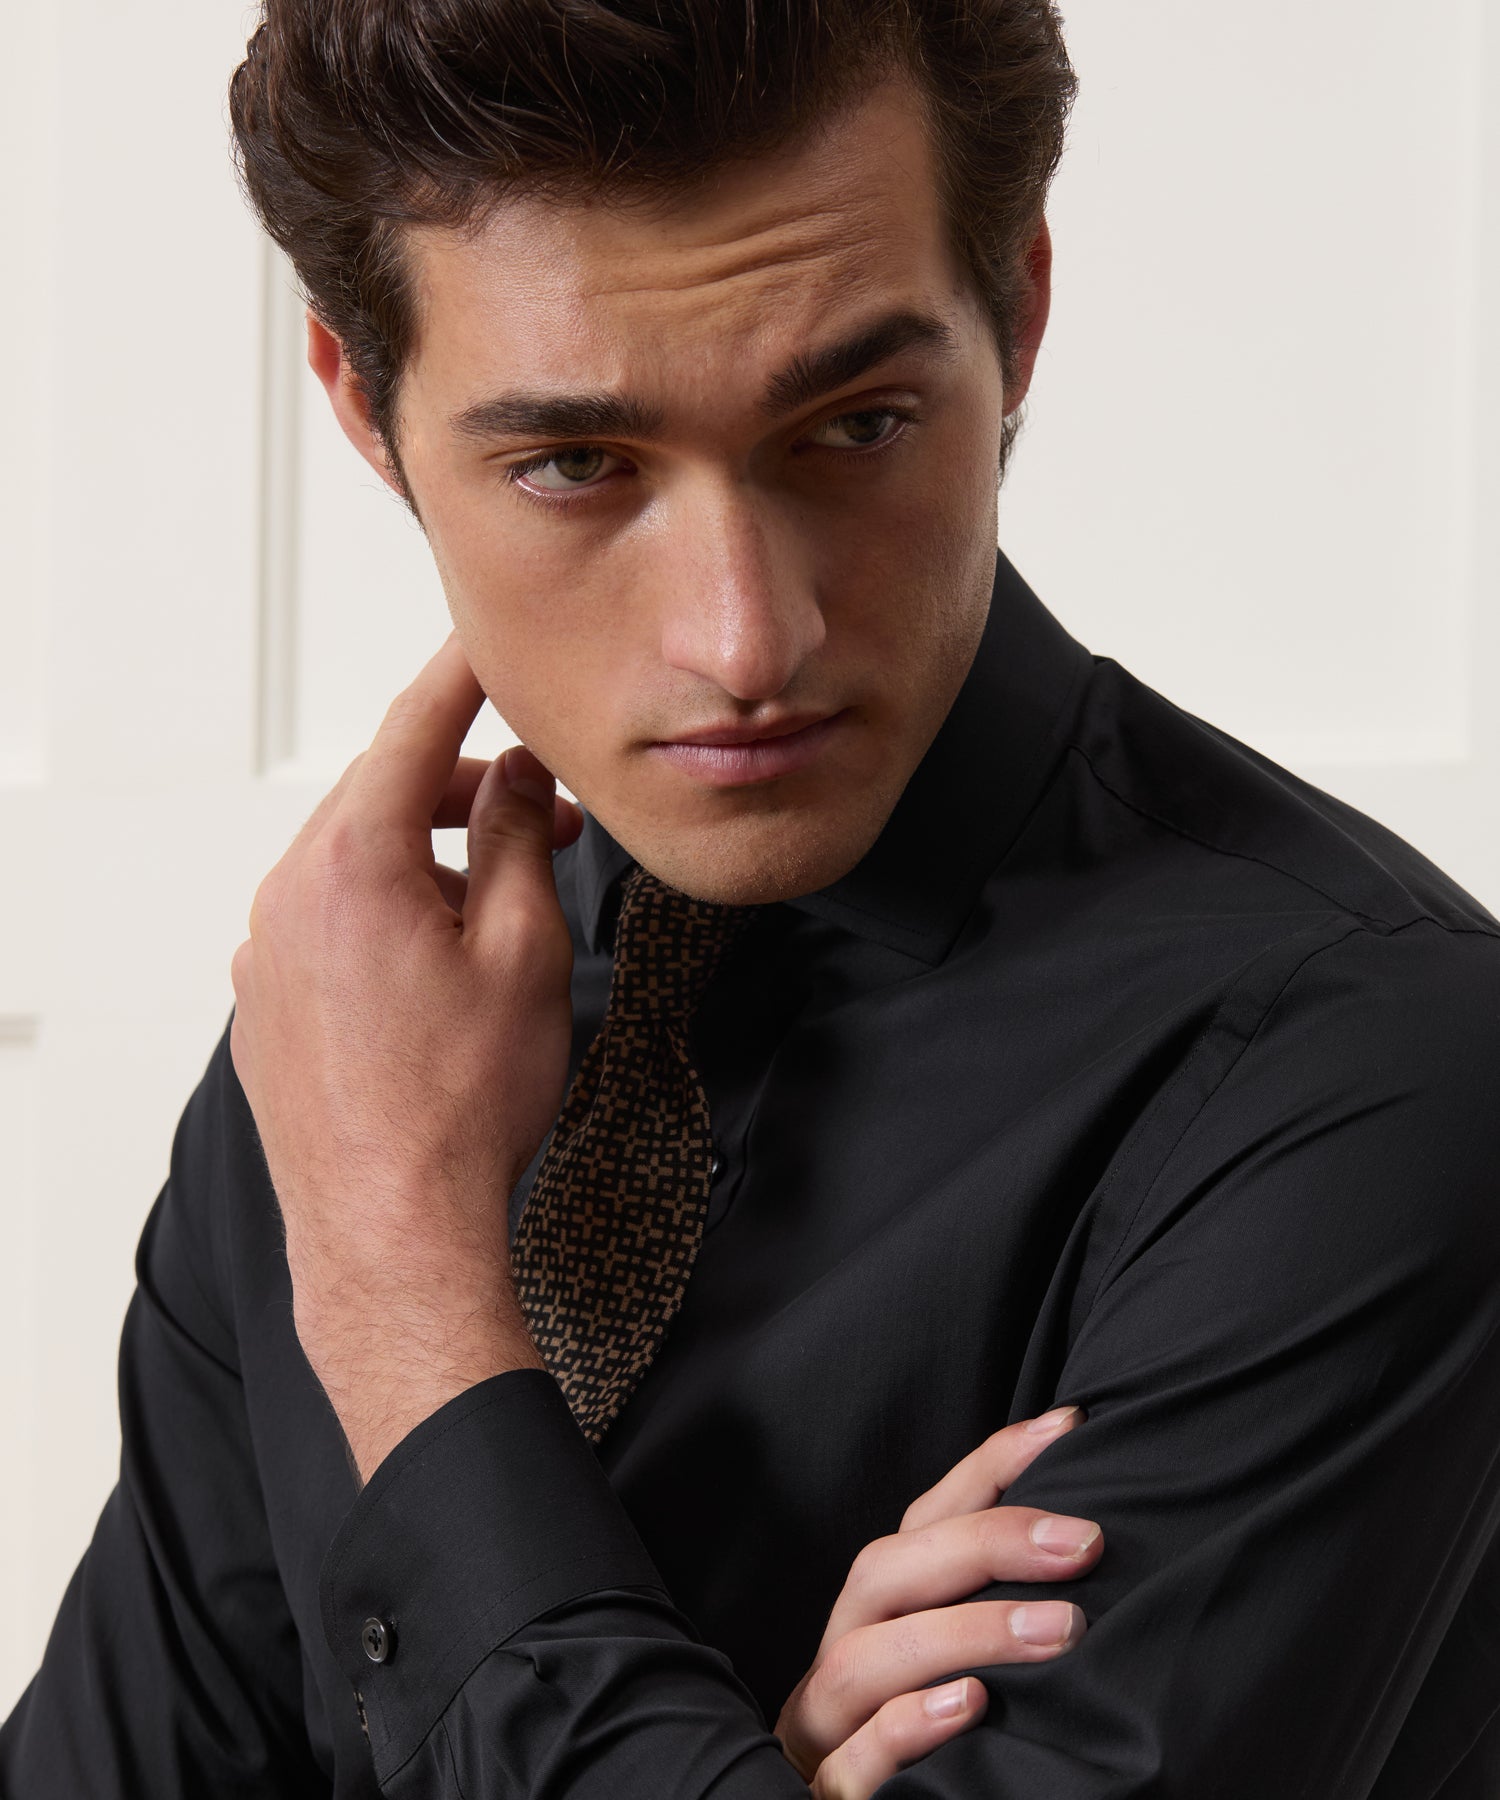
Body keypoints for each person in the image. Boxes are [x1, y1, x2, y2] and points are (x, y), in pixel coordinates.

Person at [4, 2, 1500, 1795]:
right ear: (363, 407)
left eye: (854, 425)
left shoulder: (1377, 1075)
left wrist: (406, 1310)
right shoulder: (359, 1046)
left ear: (1018, 313)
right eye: (575, 466)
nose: (746, 638)